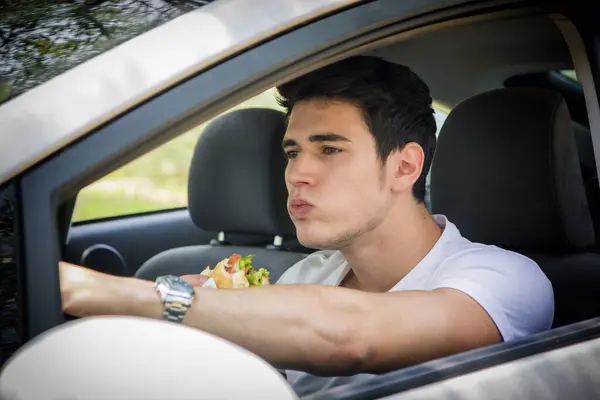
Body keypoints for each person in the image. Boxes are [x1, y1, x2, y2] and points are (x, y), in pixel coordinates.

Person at [59, 55, 554, 396]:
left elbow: (352, 335)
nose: (297, 173)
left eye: (330, 149)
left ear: (404, 167)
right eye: (292, 152)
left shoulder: (505, 280)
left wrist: (130, 295)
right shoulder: (308, 276)